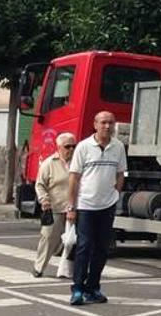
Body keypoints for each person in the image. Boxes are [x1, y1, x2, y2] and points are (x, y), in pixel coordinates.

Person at [66, 111, 127, 305]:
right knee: (84, 247)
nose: (107, 126)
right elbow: (74, 178)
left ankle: (93, 287)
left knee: (101, 249)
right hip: (85, 206)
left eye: (110, 123)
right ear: (95, 124)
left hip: (107, 205)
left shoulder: (118, 147)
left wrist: (115, 194)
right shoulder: (83, 147)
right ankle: (77, 288)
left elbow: (120, 173)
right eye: (103, 122)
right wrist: (71, 207)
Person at [33, 132, 76, 277]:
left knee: (72, 241)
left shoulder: (78, 162)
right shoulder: (49, 163)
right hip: (55, 208)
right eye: (67, 146)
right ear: (59, 147)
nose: (71, 149)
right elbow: (40, 185)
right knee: (49, 238)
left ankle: (68, 270)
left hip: (74, 208)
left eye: (73, 146)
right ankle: (39, 267)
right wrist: (44, 199)